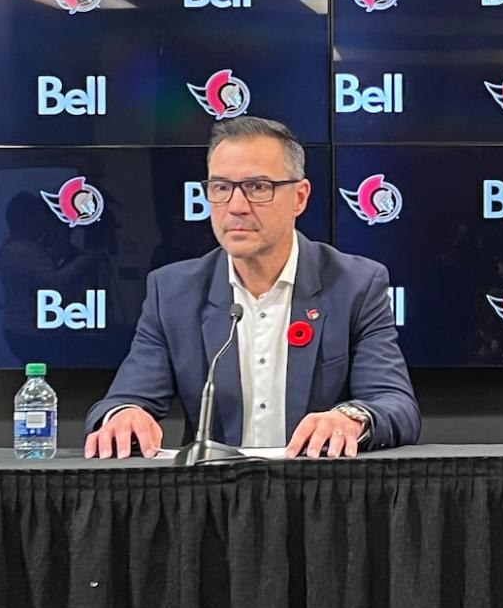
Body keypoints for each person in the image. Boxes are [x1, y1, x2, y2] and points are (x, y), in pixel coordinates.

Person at [84, 116, 419, 458]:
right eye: (221, 188)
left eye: (258, 187)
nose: (237, 206)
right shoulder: (172, 292)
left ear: (299, 198)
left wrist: (350, 418)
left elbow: (396, 406)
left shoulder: (355, 286)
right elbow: (125, 399)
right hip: (213, 499)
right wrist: (124, 416)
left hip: (320, 495)